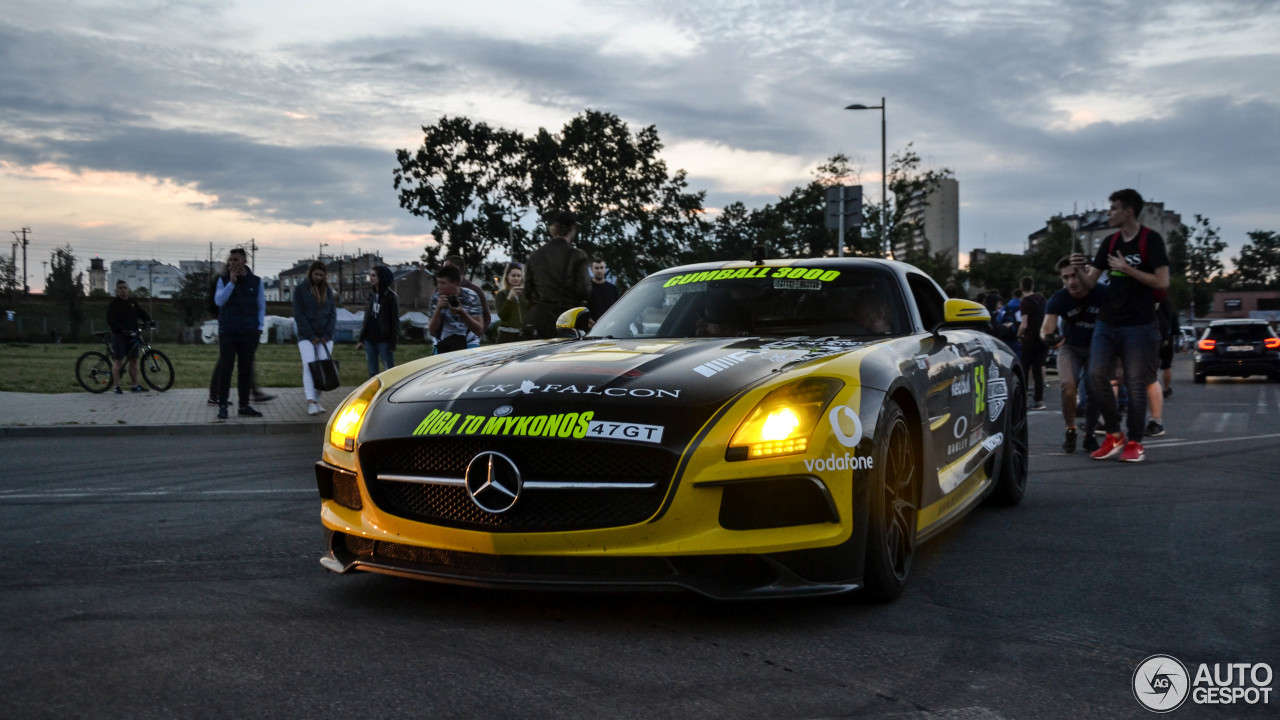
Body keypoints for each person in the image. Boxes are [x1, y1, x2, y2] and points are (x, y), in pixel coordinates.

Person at [1081, 188, 1170, 463]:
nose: (1109, 213)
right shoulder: (1109, 242)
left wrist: (1127, 268)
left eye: (1113, 209)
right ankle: (1113, 434)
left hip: (1139, 325)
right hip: (1108, 322)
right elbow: (1090, 284)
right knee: (1096, 375)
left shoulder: (1150, 240)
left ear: (1128, 211)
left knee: (1134, 384)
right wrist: (1078, 272)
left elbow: (1162, 282)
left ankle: (1135, 441)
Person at [1042, 256, 1105, 453]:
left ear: (1086, 274)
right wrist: (1049, 337)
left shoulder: (1101, 294)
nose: (1071, 282)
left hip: (1097, 346)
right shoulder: (1059, 298)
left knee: (1095, 385)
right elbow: (1046, 328)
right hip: (1071, 347)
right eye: (1066, 277)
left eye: (1075, 275)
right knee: (1068, 385)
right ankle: (1070, 429)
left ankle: (1090, 433)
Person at [213, 247, 265, 419]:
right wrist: (232, 283)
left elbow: (261, 306)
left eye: (236, 260)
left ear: (244, 261)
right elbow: (219, 300)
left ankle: (244, 405)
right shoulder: (223, 280)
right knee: (226, 368)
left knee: (245, 370)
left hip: (249, 332)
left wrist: (259, 327)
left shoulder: (256, 282)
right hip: (228, 331)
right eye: (231, 260)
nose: (233, 263)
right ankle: (223, 405)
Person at [524, 210, 590, 339]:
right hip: (566, 321)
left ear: (555, 228)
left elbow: (528, 291)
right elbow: (583, 290)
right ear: (573, 228)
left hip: (536, 321)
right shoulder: (577, 256)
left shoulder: (535, 255)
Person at [293, 260, 337, 416]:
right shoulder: (300, 290)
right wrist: (311, 336)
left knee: (323, 368)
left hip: (325, 337)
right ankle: (310, 401)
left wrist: (326, 335)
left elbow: (332, 313)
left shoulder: (328, 291)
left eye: (321, 275)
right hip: (306, 336)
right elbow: (299, 314)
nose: (318, 277)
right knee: (309, 365)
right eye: (316, 274)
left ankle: (317, 401)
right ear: (310, 273)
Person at [106, 279, 152, 394]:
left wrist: (150, 321)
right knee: (118, 362)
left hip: (133, 335)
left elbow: (141, 313)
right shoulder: (114, 304)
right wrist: (121, 330)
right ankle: (116, 386)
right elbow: (111, 321)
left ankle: (135, 385)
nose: (123, 290)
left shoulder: (132, 302)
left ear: (128, 289)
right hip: (120, 336)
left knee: (134, 361)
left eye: (125, 287)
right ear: (117, 290)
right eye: (120, 288)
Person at [429, 264, 484, 353]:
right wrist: (438, 310)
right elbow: (432, 331)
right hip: (444, 342)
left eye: (443, 283)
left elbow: (479, 330)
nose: (439, 287)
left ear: (455, 284)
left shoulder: (471, 297)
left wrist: (462, 313)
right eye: (438, 283)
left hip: (468, 342)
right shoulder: (436, 298)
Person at [356, 265, 400, 377]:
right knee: (372, 372)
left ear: (382, 277)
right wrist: (361, 339)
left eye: (374, 275)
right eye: (370, 275)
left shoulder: (390, 297)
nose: (371, 278)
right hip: (370, 339)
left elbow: (395, 321)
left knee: (389, 371)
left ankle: (390, 392)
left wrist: (393, 343)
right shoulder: (371, 295)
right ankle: (375, 393)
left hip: (384, 340)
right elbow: (367, 318)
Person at [1016, 276, 1048, 410]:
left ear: (1022, 287)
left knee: (1024, 369)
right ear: (1033, 286)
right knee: (1037, 369)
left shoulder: (1025, 302)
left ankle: (1021, 399)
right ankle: (1038, 400)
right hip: (1042, 338)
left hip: (1029, 339)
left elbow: (1024, 324)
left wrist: (1018, 335)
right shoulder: (1041, 299)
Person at [444, 254, 491, 334]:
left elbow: (486, 316)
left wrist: (476, 334)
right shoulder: (441, 289)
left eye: (446, 269)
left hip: (469, 341)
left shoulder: (475, 291)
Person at [493, 262, 529, 343]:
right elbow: (502, 315)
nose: (516, 278)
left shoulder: (525, 294)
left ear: (522, 278)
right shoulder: (501, 294)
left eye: (519, 276)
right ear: (507, 277)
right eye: (513, 275)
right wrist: (509, 298)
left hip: (523, 336)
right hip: (507, 335)